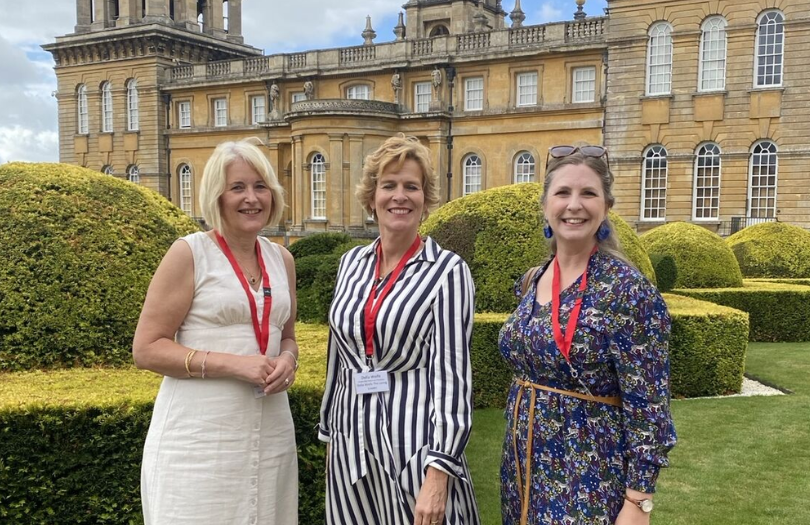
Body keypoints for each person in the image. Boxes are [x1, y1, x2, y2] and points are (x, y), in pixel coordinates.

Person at [499, 145, 676, 525]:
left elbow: (649, 407)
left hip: (588, 479)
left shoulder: (628, 291)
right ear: (546, 204)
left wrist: (638, 502)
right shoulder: (533, 279)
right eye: (563, 192)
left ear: (606, 207)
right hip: (522, 474)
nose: (574, 205)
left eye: (588, 193)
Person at [133, 138, 299, 525]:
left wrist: (289, 359)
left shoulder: (282, 259)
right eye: (238, 187)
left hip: (271, 432)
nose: (252, 198)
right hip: (199, 440)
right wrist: (234, 365)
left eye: (260, 186)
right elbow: (146, 349)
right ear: (216, 195)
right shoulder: (189, 253)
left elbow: (286, 336)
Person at [318, 135, 481, 525]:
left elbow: (453, 379)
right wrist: (329, 434)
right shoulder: (351, 263)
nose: (400, 196)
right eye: (389, 185)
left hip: (414, 450)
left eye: (412, 186)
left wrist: (439, 472)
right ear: (371, 196)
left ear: (425, 199)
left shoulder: (448, 272)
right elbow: (337, 356)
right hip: (350, 445)